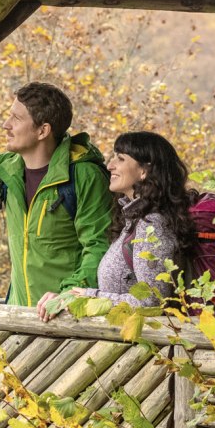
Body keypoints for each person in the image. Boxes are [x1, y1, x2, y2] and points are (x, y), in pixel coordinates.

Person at [0, 81, 114, 307]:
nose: (5, 125)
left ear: (42, 130)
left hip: (67, 320)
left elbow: (98, 247)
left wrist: (68, 296)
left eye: (16, 119)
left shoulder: (84, 176)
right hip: (21, 322)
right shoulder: (7, 171)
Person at [51, 132, 196, 315]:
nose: (110, 166)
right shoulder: (133, 221)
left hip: (146, 341)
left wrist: (90, 296)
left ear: (144, 171)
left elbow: (152, 301)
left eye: (120, 159)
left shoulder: (152, 225)